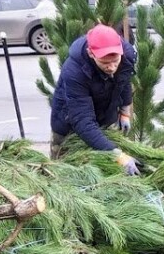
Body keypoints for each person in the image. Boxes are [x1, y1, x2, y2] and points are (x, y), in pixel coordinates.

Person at [49, 24, 141, 175]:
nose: (111, 67)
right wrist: (116, 154)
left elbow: (123, 80)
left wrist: (125, 110)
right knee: (65, 174)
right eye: (105, 63)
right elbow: (82, 120)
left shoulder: (127, 55)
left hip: (104, 118)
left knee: (105, 172)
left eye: (115, 61)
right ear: (91, 53)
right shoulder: (74, 71)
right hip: (70, 125)